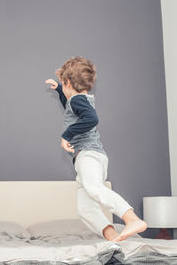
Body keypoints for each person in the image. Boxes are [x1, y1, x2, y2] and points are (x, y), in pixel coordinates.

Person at [45, 56, 147, 241]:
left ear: (68, 82)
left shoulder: (77, 101)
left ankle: (132, 219)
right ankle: (113, 237)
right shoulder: (78, 100)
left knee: (94, 188)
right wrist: (60, 90)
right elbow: (71, 108)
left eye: (63, 83)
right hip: (89, 157)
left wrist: (66, 135)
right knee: (84, 208)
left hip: (89, 155)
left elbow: (92, 119)